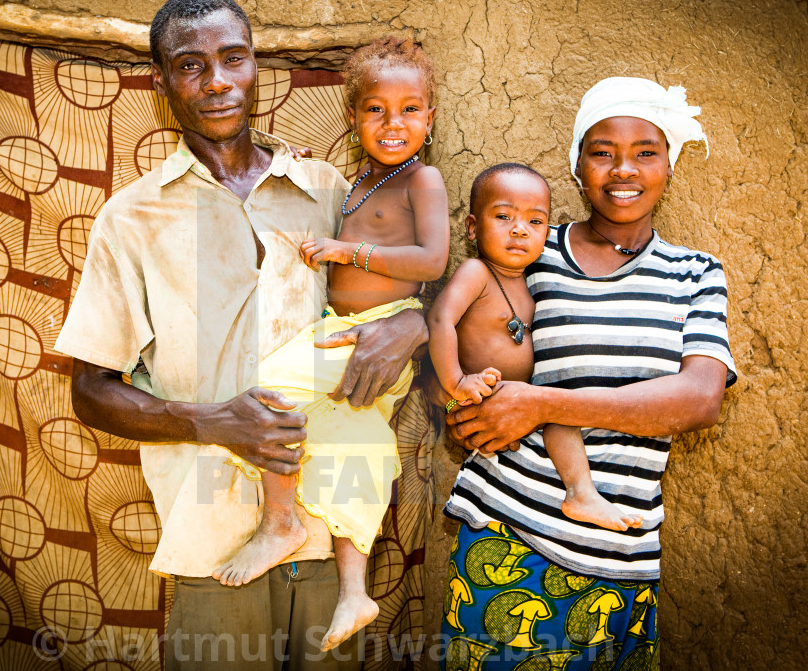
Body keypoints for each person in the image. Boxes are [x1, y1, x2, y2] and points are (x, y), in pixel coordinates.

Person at [54, 0, 427, 670]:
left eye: (233, 58)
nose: (218, 81)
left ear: (257, 67)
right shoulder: (132, 218)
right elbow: (90, 391)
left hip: (332, 539)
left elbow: (393, 289)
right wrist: (213, 422)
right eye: (191, 65)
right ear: (161, 82)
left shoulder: (325, 189)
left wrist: (415, 324)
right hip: (215, 545)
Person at [436, 77, 737, 668]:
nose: (622, 170)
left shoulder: (696, 273)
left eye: (645, 153)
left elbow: (700, 399)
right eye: (602, 152)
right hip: (511, 533)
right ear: (577, 167)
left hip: (623, 555)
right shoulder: (527, 248)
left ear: (669, 167)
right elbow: (447, 314)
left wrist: (542, 404)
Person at [212, 36, 448, 653]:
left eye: (409, 110)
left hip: (383, 331)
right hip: (338, 334)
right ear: (353, 117)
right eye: (376, 110)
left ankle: (281, 522)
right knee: (353, 446)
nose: (393, 123)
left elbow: (432, 259)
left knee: (263, 398)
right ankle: (353, 590)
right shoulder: (361, 182)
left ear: (430, 116)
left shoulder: (423, 180)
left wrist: (350, 251)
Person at [429, 163, 644, 533]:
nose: (519, 230)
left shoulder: (531, 286)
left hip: (518, 406)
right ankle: (579, 492)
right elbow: (440, 321)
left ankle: (581, 493)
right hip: (471, 394)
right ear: (472, 227)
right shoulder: (476, 273)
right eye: (503, 216)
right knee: (554, 410)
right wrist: (456, 382)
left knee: (560, 410)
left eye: (535, 222)